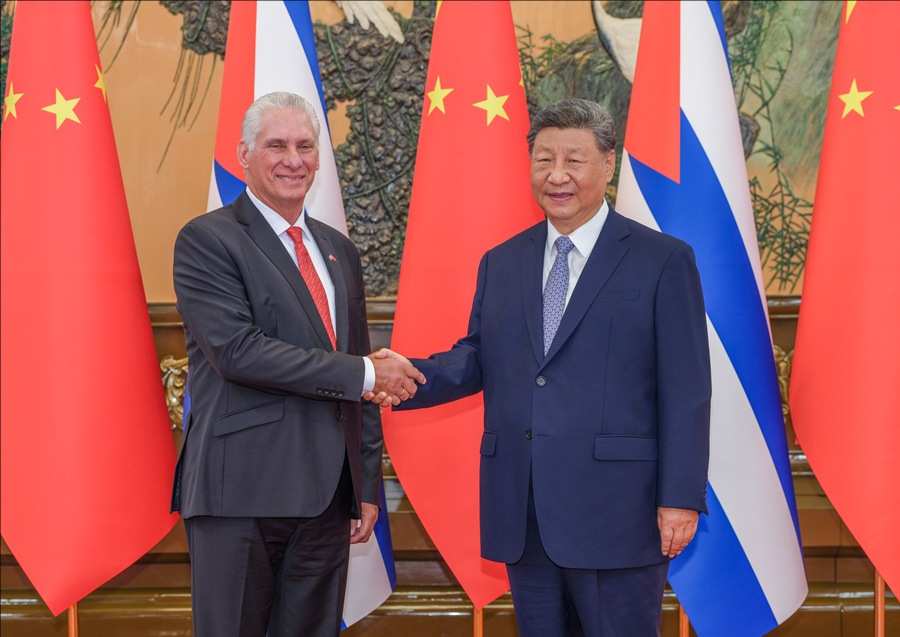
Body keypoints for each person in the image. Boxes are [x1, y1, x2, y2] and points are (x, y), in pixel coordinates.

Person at [371, 98, 711, 636]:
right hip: (524, 511)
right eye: (544, 159)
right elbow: (477, 358)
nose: (557, 175)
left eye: (574, 160)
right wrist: (404, 373)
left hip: (619, 512)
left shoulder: (662, 260)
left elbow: (686, 389)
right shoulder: (503, 262)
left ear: (608, 164)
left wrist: (680, 498)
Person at [171, 91, 425, 637]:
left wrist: (364, 483)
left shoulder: (338, 250)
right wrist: (365, 373)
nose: (294, 160)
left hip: (327, 497)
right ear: (244, 154)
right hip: (240, 494)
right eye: (277, 145)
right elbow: (238, 351)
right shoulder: (208, 240)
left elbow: (359, 365)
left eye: (306, 146)